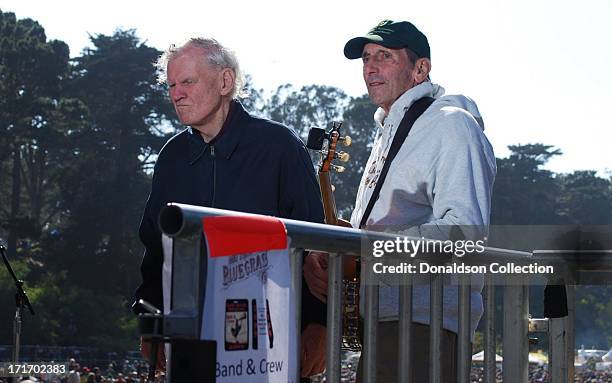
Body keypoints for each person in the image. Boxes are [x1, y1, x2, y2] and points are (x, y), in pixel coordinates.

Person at [304, 20, 496, 382]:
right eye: (365, 58)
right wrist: (337, 252)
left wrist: (364, 252)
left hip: (423, 321)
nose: (370, 67)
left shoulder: (451, 124)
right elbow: (383, 229)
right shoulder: (391, 132)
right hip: (383, 319)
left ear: (420, 69)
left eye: (385, 56)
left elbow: (464, 231)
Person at [132, 37, 326, 378]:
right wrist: (150, 322)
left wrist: (320, 324)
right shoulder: (171, 158)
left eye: (188, 82)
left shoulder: (280, 147)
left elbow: (314, 246)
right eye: (172, 84)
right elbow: (155, 249)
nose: (176, 93)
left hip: (271, 341)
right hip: (191, 338)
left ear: (225, 81)